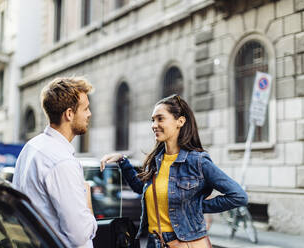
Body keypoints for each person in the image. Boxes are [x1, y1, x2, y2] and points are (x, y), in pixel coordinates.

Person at [100, 94, 248, 248]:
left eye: (160, 118)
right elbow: (141, 189)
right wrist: (123, 161)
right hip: (153, 241)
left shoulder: (197, 161)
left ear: (180, 121)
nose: (154, 125)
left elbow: (238, 196)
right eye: (153, 120)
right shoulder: (156, 161)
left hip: (183, 242)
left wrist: (197, 207)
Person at [13, 77, 97, 248]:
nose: (89, 114)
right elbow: (80, 235)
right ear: (69, 114)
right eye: (86, 108)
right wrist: (86, 199)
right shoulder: (62, 161)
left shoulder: (31, 147)